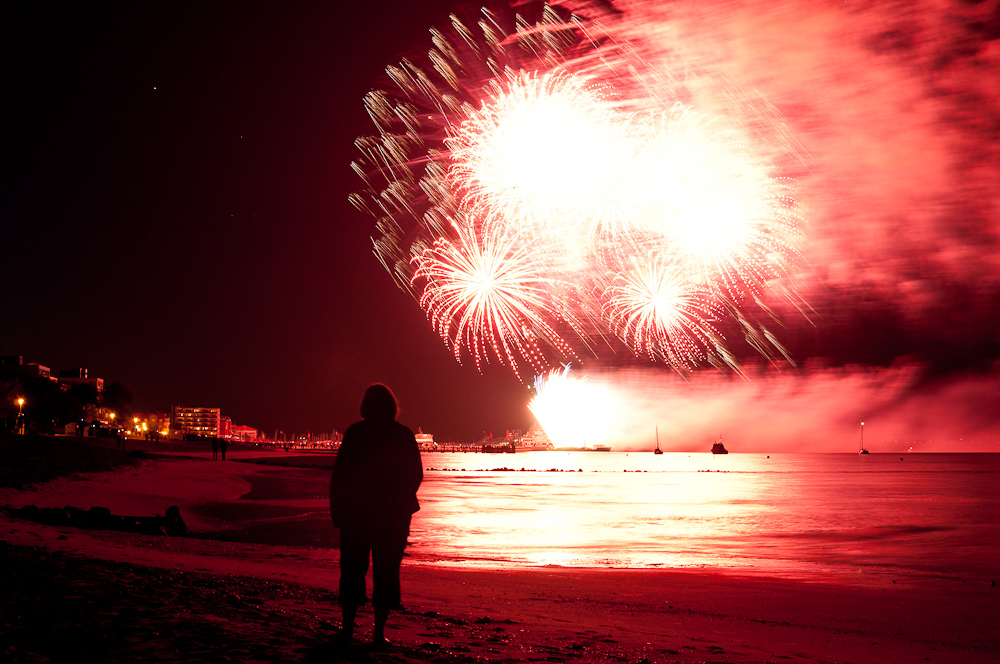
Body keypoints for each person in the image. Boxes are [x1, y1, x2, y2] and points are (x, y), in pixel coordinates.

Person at [329, 384, 423, 647]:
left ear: (366, 406)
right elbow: (415, 474)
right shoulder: (403, 435)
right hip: (393, 516)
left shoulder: (356, 433)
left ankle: (347, 629)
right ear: (392, 406)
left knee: (351, 570)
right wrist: (401, 499)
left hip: (356, 515)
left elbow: (340, 476)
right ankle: (378, 634)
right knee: (387, 572)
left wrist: (338, 512)